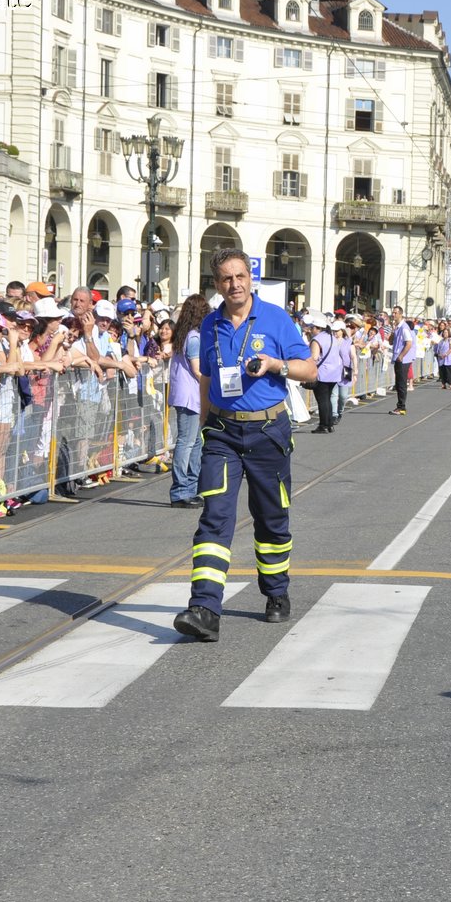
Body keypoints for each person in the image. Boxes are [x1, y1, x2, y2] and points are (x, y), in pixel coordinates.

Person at [173, 249, 315, 638]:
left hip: (268, 432)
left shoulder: (275, 319)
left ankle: (275, 592)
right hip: (222, 434)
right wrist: (204, 424)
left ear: (249, 279)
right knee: (214, 518)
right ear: (216, 283)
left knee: (270, 518)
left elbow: (310, 370)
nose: (233, 284)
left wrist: (275, 365)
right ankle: (204, 608)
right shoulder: (210, 324)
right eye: (225, 279)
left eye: (239, 277)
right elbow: (206, 380)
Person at [167, 294, 210, 507]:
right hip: (190, 394)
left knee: (194, 442)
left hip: (184, 393)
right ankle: (181, 490)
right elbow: (197, 369)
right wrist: (211, 385)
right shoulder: (194, 337)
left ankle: (191, 488)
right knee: (187, 442)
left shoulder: (183, 334)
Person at [389, 306, 415, 416]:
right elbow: (391, 341)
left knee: (401, 383)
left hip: (403, 360)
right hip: (398, 359)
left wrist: (401, 355)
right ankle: (400, 406)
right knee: (399, 382)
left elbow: (409, 343)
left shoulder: (404, 327)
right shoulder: (398, 327)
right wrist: (393, 330)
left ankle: (401, 407)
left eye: (395, 313)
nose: (393, 315)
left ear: (400, 314)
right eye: (393, 313)